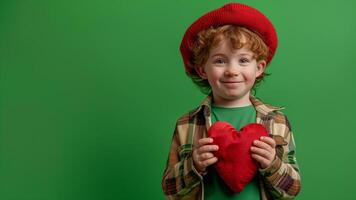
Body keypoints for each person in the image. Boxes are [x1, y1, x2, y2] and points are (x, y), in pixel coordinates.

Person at [162, 2, 301, 200]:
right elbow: (170, 191)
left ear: (259, 68)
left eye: (243, 60)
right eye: (220, 60)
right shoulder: (187, 124)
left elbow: (292, 190)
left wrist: (272, 164)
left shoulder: (277, 122)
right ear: (202, 69)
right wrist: (194, 165)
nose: (232, 70)